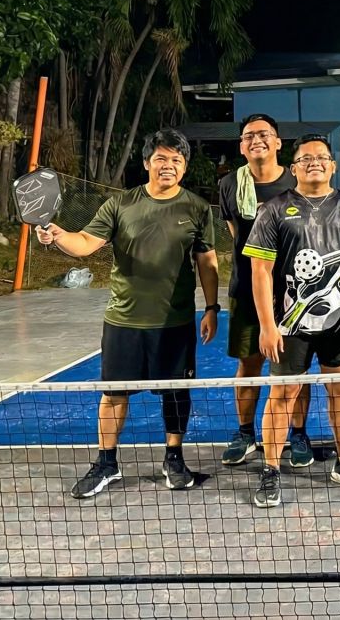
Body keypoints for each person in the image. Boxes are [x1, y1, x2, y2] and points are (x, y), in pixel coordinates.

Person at [35, 128, 218, 499]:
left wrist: (212, 307)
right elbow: (85, 243)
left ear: (184, 167)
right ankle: (106, 462)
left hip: (175, 321)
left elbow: (207, 260)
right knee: (114, 394)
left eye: (177, 160)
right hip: (124, 320)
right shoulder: (120, 204)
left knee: (175, 393)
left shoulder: (197, 208)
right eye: (161, 158)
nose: (169, 165)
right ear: (147, 162)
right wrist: (58, 236)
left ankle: (174, 460)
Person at [243, 134, 340, 507]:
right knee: (283, 394)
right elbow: (260, 272)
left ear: (333, 166)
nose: (314, 162)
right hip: (290, 324)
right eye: (305, 158)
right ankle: (271, 469)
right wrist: (267, 325)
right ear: (294, 168)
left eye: (321, 157)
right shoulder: (274, 209)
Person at [216, 115, 315, 469]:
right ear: (242, 146)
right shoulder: (229, 184)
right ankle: (245, 433)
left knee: (295, 368)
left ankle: (298, 434)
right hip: (246, 289)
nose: (256, 140)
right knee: (248, 363)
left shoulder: (296, 180)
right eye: (249, 136)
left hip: (293, 293)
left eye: (264, 134)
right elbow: (237, 234)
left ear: (277, 142)